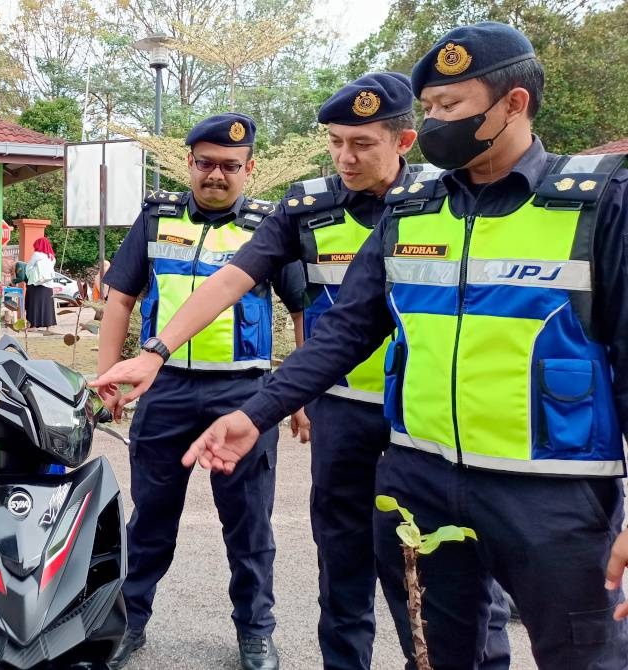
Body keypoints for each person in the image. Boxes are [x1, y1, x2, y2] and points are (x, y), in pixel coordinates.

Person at [179, 23, 628, 670]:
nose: (438, 121)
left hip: (553, 495)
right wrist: (255, 415)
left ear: (513, 104)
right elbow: (345, 331)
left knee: (586, 658)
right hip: (419, 480)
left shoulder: (594, 205)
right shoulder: (412, 210)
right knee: (440, 658)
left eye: (453, 106)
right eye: (431, 108)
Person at [94, 74, 510, 669]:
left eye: (362, 144)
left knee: (438, 589)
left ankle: (258, 630)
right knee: (341, 576)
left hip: (426, 422)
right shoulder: (305, 209)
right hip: (337, 409)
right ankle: (132, 622)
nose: (345, 157)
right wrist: (154, 352)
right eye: (336, 142)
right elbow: (235, 280)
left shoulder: (446, 201)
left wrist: (281, 401)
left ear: (404, 141)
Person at [96, 112, 305, 670]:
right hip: (164, 392)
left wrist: (299, 396)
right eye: (206, 163)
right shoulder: (158, 216)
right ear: (189, 163)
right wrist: (110, 374)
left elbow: (302, 308)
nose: (217, 175)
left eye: (230, 166)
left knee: (249, 524)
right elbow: (120, 298)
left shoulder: (269, 227)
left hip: (244, 396)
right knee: (151, 518)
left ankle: (256, 632)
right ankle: (128, 622)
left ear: (250, 169)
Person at [25, 236, 57, 333]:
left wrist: (29, 274)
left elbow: (29, 267)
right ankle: (49, 326)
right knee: (48, 305)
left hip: (36, 283)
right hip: (48, 284)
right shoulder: (52, 257)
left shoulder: (36, 254)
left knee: (34, 304)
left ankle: (33, 325)